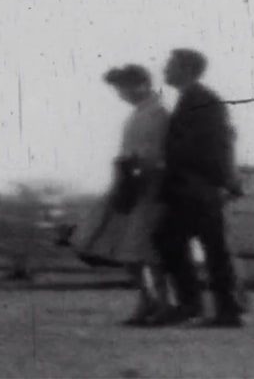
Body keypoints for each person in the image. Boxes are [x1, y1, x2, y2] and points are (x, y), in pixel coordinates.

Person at [68, 64, 175, 325]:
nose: (121, 94)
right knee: (125, 248)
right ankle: (147, 299)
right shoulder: (137, 114)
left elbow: (159, 153)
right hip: (130, 188)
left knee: (147, 250)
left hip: (151, 189)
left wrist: (139, 166)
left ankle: (164, 302)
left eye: (124, 88)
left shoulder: (159, 114)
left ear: (142, 85)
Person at [149, 49, 248, 328]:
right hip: (191, 187)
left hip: (198, 188)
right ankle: (209, 307)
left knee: (202, 246)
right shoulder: (193, 99)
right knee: (181, 242)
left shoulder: (203, 100)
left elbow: (217, 144)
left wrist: (221, 181)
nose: (165, 69)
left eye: (170, 65)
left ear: (187, 69)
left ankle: (208, 307)